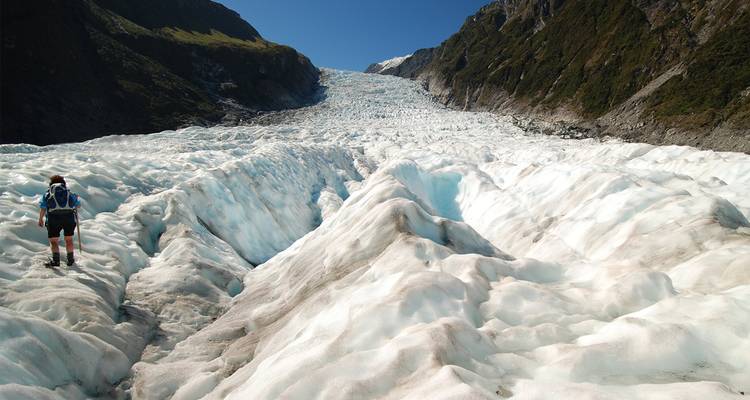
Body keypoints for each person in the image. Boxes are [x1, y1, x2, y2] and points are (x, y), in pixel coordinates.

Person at [38, 175, 81, 267]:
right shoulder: (68, 193)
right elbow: (78, 205)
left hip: (53, 218)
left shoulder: (48, 194)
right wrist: (76, 199)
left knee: (54, 241)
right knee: (69, 239)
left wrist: (40, 219)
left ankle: (56, 261)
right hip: (69, 218)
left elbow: (43, 207)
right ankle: (70, 260)